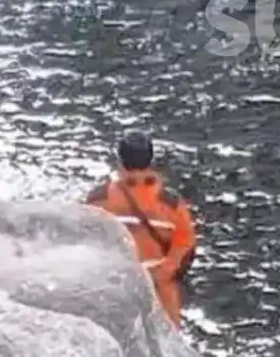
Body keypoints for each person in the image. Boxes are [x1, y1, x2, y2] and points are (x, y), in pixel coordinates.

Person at [85, 130, 198, 326]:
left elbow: (87, 245)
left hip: (115, 295)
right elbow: (186, 249)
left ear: (120, 158)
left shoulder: (98, 200)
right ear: (150, 159)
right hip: (161, 301)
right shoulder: (170, 204)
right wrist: (163, 272)